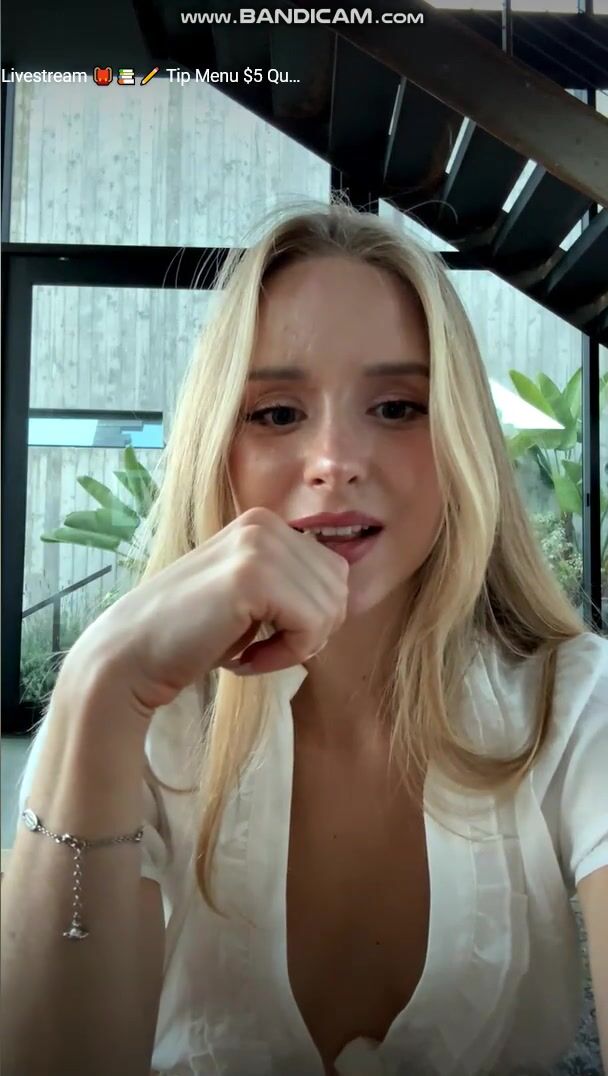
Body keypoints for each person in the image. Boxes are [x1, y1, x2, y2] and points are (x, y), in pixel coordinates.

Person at [2, 202, 607, 1076]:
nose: (334, 461)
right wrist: (99, 680)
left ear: (463, 443)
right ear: (216, 446)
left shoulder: (573, 702)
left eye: (397, 407)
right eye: (278, 414)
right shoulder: (134, 714)